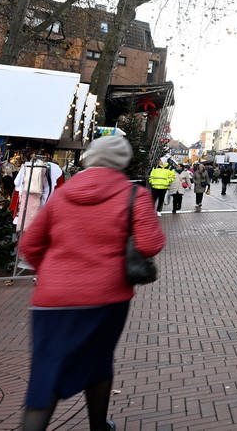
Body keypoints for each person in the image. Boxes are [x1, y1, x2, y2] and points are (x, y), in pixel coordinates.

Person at [18, 134, 164, 431]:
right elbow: (149, 244)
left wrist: (51, 273)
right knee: (99, 360)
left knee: (47, 370)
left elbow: (30, 244)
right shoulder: (133, 195)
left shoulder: (62, 194)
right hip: (106, 297)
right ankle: (98, 425)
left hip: (51, 299)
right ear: (123, 161)